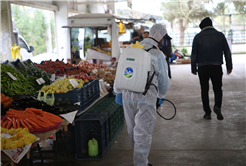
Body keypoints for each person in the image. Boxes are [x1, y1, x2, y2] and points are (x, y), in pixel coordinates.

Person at [114, 24, 170, 166]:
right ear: (160, 37)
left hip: (127, 95)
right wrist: (161, 95)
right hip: (146, 97)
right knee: (143, 133)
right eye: (164, 38)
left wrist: (118, 92)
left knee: (133, 130)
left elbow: (120, 70)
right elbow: (164, 80)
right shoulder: (157, 54)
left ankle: (140, 159)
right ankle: (141, 164)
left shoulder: (130, 48)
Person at [191, 17, 233, 120]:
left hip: (202, 67)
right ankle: (217, 106)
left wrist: (193, 68)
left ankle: (207, 113)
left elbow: (194, 54)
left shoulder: (198, 37)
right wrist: (229, 66)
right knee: (218, 88)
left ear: (202, 27)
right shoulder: (220, 35)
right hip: (216, 66)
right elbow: (227, 52)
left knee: (204, 90)